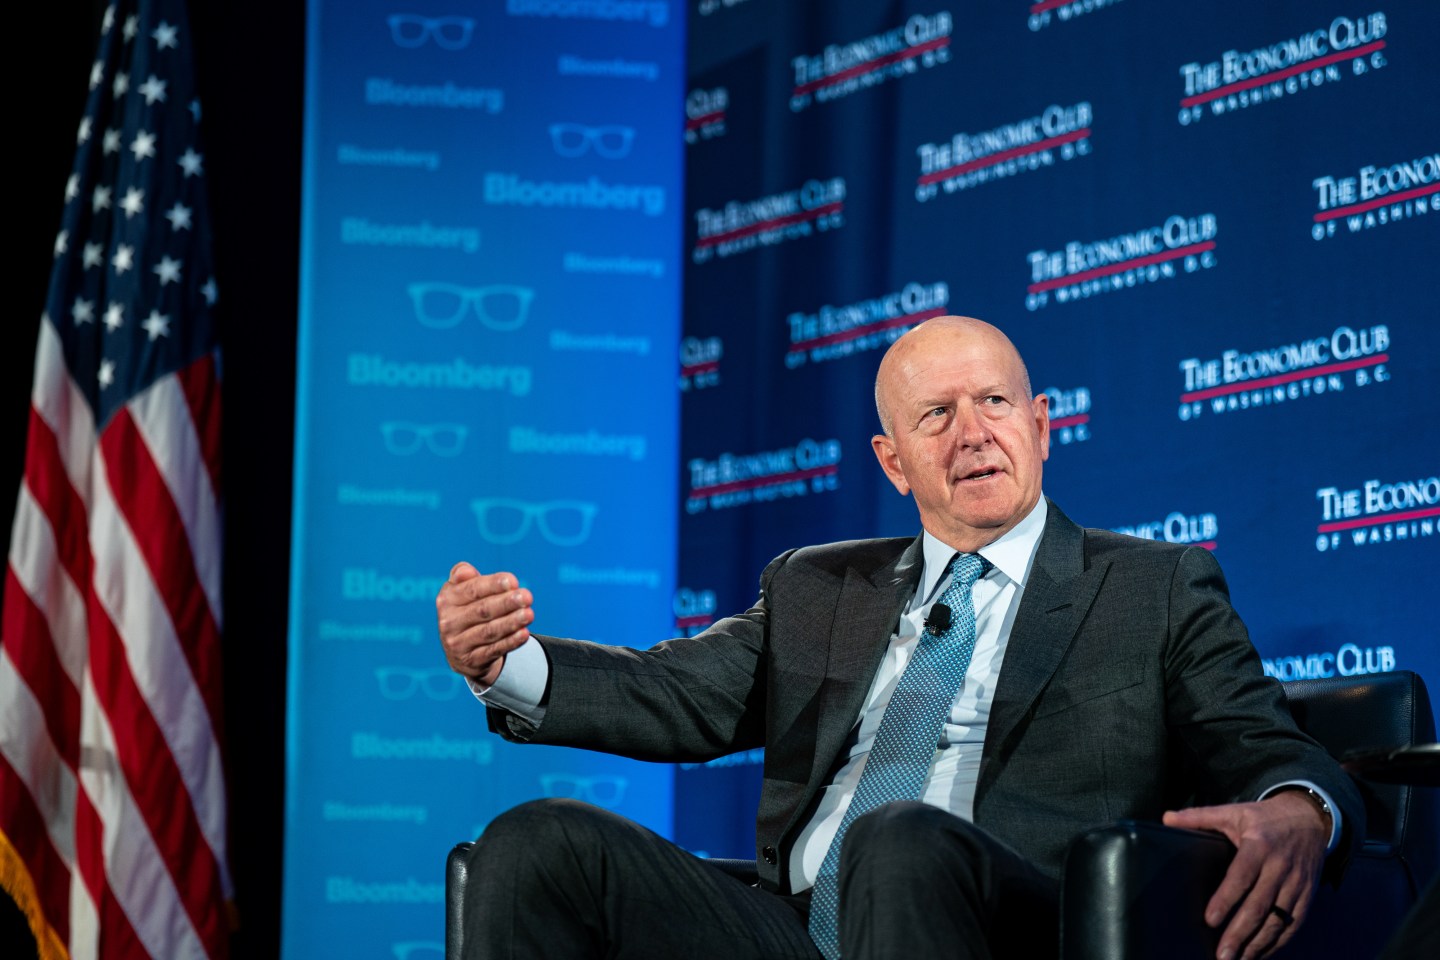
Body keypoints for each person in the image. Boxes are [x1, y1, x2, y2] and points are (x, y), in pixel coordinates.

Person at [436, 316, 1362, 960]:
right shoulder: (816, 585)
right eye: (936, 416)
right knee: (537, 843)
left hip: (1015, 926)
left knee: (899, 841)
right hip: (797, 932)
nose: (973, 435)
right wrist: (507, 662)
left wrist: (1301, 809)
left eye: (995, 405)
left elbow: (1264, 745)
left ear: (1041, 427)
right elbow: (678, 691)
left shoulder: (1152, 586)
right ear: (893, 461)